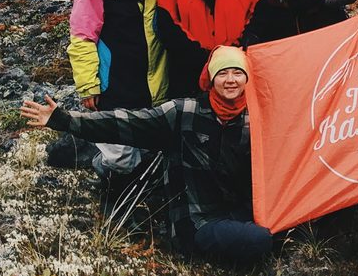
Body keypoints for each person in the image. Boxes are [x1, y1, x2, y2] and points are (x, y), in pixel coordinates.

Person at [21, 47, 272, 263]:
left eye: (238, 73)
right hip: (197, 222)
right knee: (260, 240)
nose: (231, 80)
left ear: (247, 78)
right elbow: (123, 123)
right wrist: (63, 120)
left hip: (238, 211)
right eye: (223, 73)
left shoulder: (254, 120)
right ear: (211, 78)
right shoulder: (183, 112)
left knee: (283, 228)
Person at [55, 0, 174, 174]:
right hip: (115, 86)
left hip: (155, 85)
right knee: (120, 159)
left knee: (151, 153)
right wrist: (88, 85)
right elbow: (82, 33)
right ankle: (105, 182)